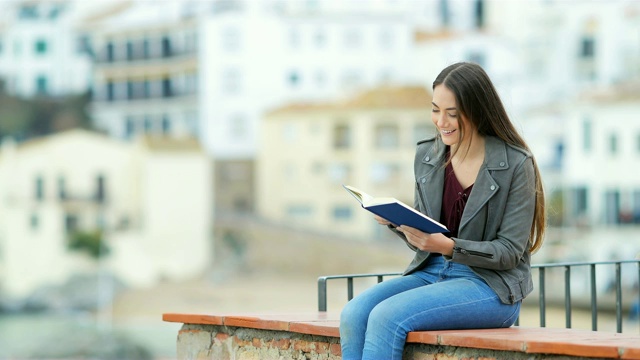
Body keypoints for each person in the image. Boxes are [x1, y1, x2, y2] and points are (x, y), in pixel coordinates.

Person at [339, 61, 546, 360]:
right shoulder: (427, 156)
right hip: (432, 272)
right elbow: (425, 237)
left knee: (386, 317)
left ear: (477, 111)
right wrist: (396, 222)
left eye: (453, 113)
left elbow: (510, 252)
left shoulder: (515, 164)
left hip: (491, 285)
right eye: (436, 109)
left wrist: (449, 247)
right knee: (354, 313)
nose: (441, 121)